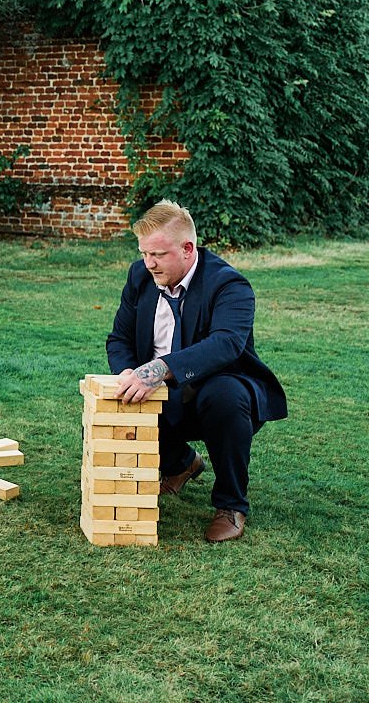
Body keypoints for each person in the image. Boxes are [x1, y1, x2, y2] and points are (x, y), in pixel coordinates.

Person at [106, 200, 287, 542]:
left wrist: (161, 368)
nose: (149, 263)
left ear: (187, 248)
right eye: (144, 253)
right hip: (159, 392)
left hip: (216, 389)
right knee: (112, 404)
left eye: (157, 254)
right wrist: (130, 373)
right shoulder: (139, 276)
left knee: (225, 396)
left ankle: (231, 505)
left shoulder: (230, 285)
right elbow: (119, 339)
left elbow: (227, 344)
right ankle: (181, 464)